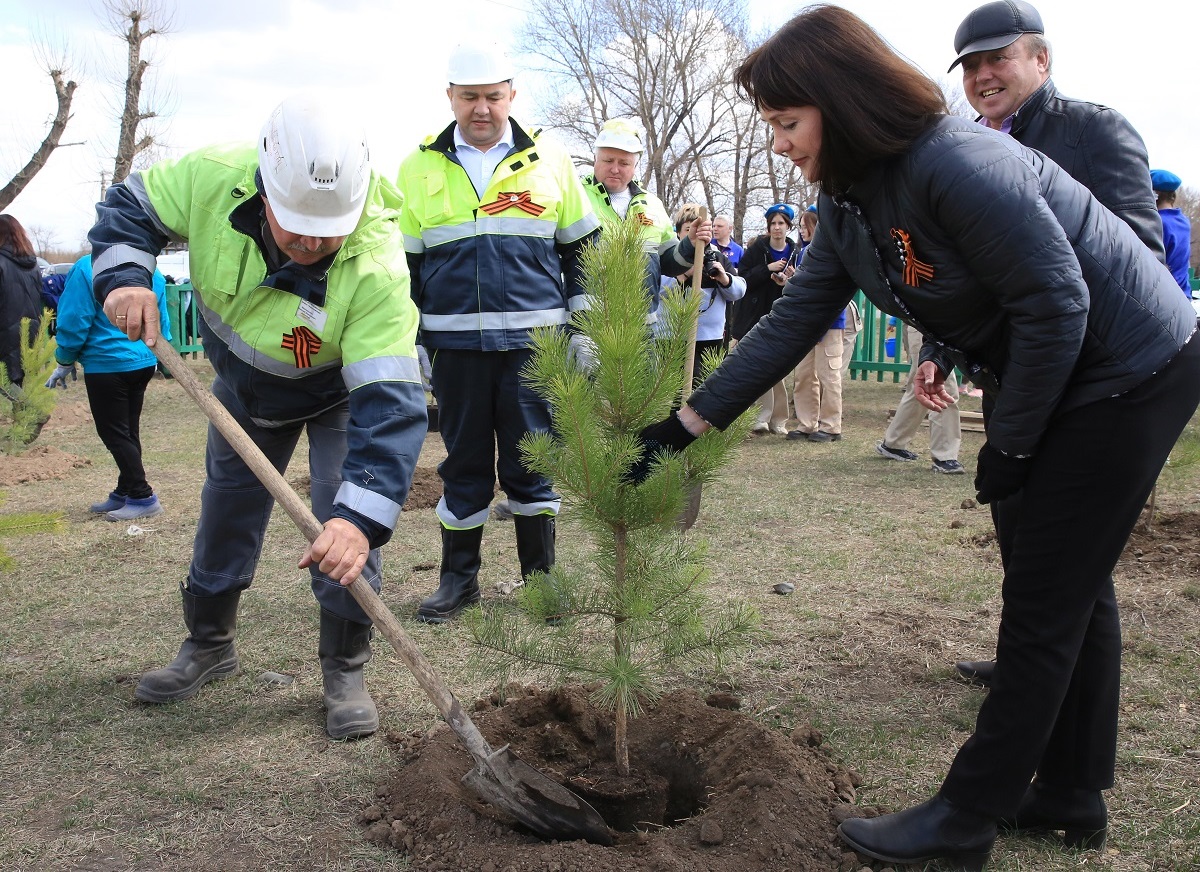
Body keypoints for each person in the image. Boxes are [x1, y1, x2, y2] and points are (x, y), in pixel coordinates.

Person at [630, 7, 1200, 868]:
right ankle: (1072, 794)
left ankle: (968, 817)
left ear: (839, 101)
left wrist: (1009, 442)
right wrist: (683, 425)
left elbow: (1058, 303)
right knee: (1066, 582)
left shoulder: (955, 161)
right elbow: (791, 324)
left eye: (787, 123)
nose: (779, 144)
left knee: (1045, 596)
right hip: (1067, 370)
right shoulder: (852, 198)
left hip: (1129, 369)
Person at [91, 93, 427, 741]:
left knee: (342, 524)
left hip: (342, 397)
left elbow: (390, 406)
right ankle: (209, 643)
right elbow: (127, 210)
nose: (309, 242)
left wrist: (358, 522)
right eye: (294, 222)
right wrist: (128, 278)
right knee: (226, 513)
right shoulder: (212, 180)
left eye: (326, 229)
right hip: (243, 395)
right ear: (265, 189)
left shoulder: (377, 263)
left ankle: (345, 667)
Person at [951, 0, 1167, 686]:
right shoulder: (964, 148)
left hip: (1088, 382)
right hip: (1014, 375)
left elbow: (1137, 256)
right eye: (972, 66)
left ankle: (1059, 684)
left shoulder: (1094, 131)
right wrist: (940, 351)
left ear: (1040, 61)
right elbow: (967, 275)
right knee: (1020, 535)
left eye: (999, 59)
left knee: (1071, 551)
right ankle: (1027, 661)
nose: (985, 76)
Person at [396, 41, 600, 624]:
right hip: (454, 350)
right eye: (469, 98)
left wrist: (584, 333)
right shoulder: (417, 167)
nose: (481, 108)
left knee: (533, 462)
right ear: (450, 99)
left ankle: (542, 583)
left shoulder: (551, 160)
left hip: (537, 350)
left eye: (492, 96)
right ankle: (458, 583)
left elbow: (582, 251)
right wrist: (410, 342)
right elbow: (402, 267)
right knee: (461, 466)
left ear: (511, 94)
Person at [45, 256, 172, 520]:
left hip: (108, 362)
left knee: (114, 433)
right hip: (142, 360)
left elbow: (75, 317)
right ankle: (125, 490)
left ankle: (142, 495)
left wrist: (65, 358)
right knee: (127, 430)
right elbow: (160, 311)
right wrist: (164, 349)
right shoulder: (147, 267)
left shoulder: (87, 267)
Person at [580, 118, 695, 324]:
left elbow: (669, 262)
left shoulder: (652, 204)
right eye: (608, 160)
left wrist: (691, 244)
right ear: (595, 159)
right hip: (587, 325)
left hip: (641, 325)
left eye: (624, 163)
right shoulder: (575, 196)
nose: (615, 169)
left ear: (635, 166)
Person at [728, 203, 796, 435]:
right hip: (756, 316)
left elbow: (803, 282)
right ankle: (761, 418)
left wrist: (789, 280)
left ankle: (780, 420)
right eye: (773, 224)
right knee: (760, 366)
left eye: (781, 224)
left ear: (788, 226)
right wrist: (767, 269)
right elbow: (744, 279)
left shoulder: (795, 251)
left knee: (778, 369)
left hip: (784, 316)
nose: (777, 228)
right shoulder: (757, 249)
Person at [665, 203, 745, 387]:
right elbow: (657, 289)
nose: (696, 235)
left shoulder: (716, 256)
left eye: (702, 230)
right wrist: (685, 273)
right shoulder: (670, 257)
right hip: (674, 336)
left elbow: (739, 291)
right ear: (678, 232)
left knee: (706, 388)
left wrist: (724, 279)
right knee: (676, 391)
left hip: (711, 338)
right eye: (688, 230)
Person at [787, 207, 845, 443]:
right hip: (806, 322)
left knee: (828, 374)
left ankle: (832, 426)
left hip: (829, 322)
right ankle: (807, 423)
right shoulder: (804, 252)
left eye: (805, 225)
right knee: (803, 375)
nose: (802, 230)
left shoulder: (835, 250)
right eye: (800, 226)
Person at [875, 321, 965, 473]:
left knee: (919, 388)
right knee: (941, 388)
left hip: (927, 325)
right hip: (927, 327)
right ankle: (945, 456)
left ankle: (893, 443)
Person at [0, 214, 44, 390]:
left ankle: (30, 413)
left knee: (10, 388)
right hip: (30, 333)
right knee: (21, 384)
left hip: (4, 335)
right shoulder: (33, 265)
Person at [1152, 169, 1192, 296]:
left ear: (1154, 194)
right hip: (1183, 295)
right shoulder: (1183, 221)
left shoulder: (1157, 223)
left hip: (1165, 297)